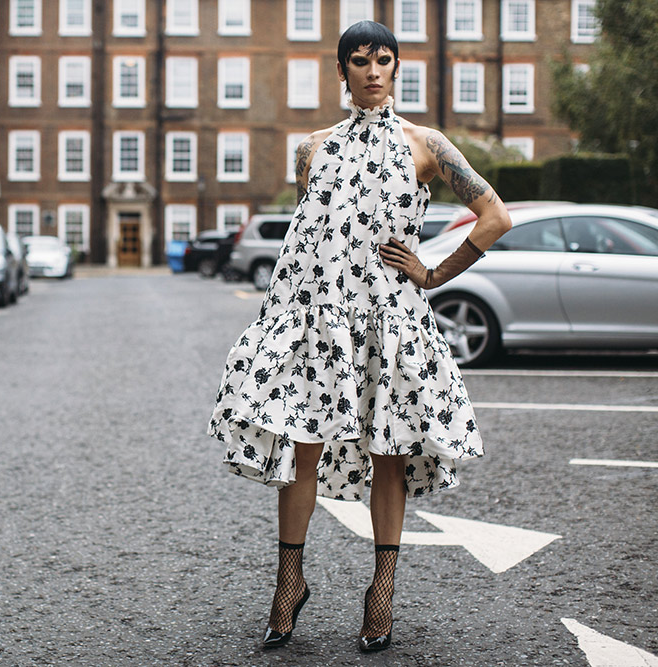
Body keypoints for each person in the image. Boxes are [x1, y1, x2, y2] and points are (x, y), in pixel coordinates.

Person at [207, 20, 512, 653]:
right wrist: (281, 318)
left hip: (389, 320)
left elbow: (495, 216)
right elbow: (307, 239)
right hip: (318, 318)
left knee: (388, 451)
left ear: (397, 68)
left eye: (383, 60)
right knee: (302, 449)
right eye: (359, 61)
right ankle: (289, 581)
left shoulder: (426, 145)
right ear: (340, 71)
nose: (372, 71)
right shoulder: (311, 149)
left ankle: (383, 589)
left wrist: (431, 273)